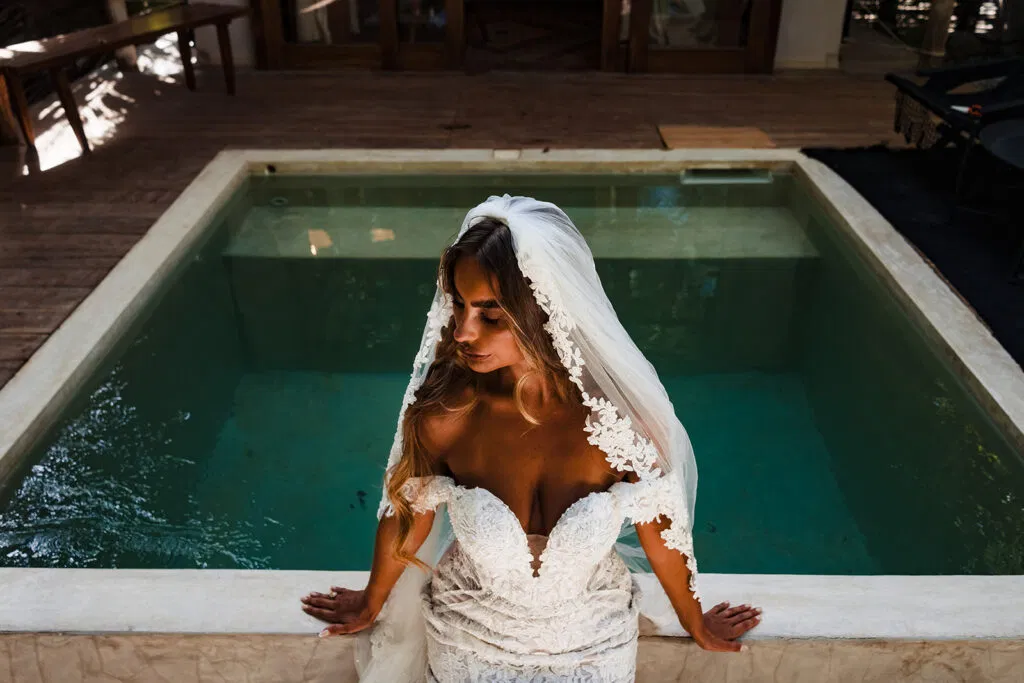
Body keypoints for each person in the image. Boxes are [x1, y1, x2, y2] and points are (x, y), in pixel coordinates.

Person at [301, 195, 761, 682]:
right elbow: (412, 510)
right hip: (469, 639)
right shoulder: (446, 415)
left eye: (490, 314)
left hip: (593, 643)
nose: (462, 331)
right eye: (458, 305)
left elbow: (660, 529)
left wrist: (695, 619)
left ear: (542, 308)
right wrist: (373, 599)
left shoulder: (617, 423)